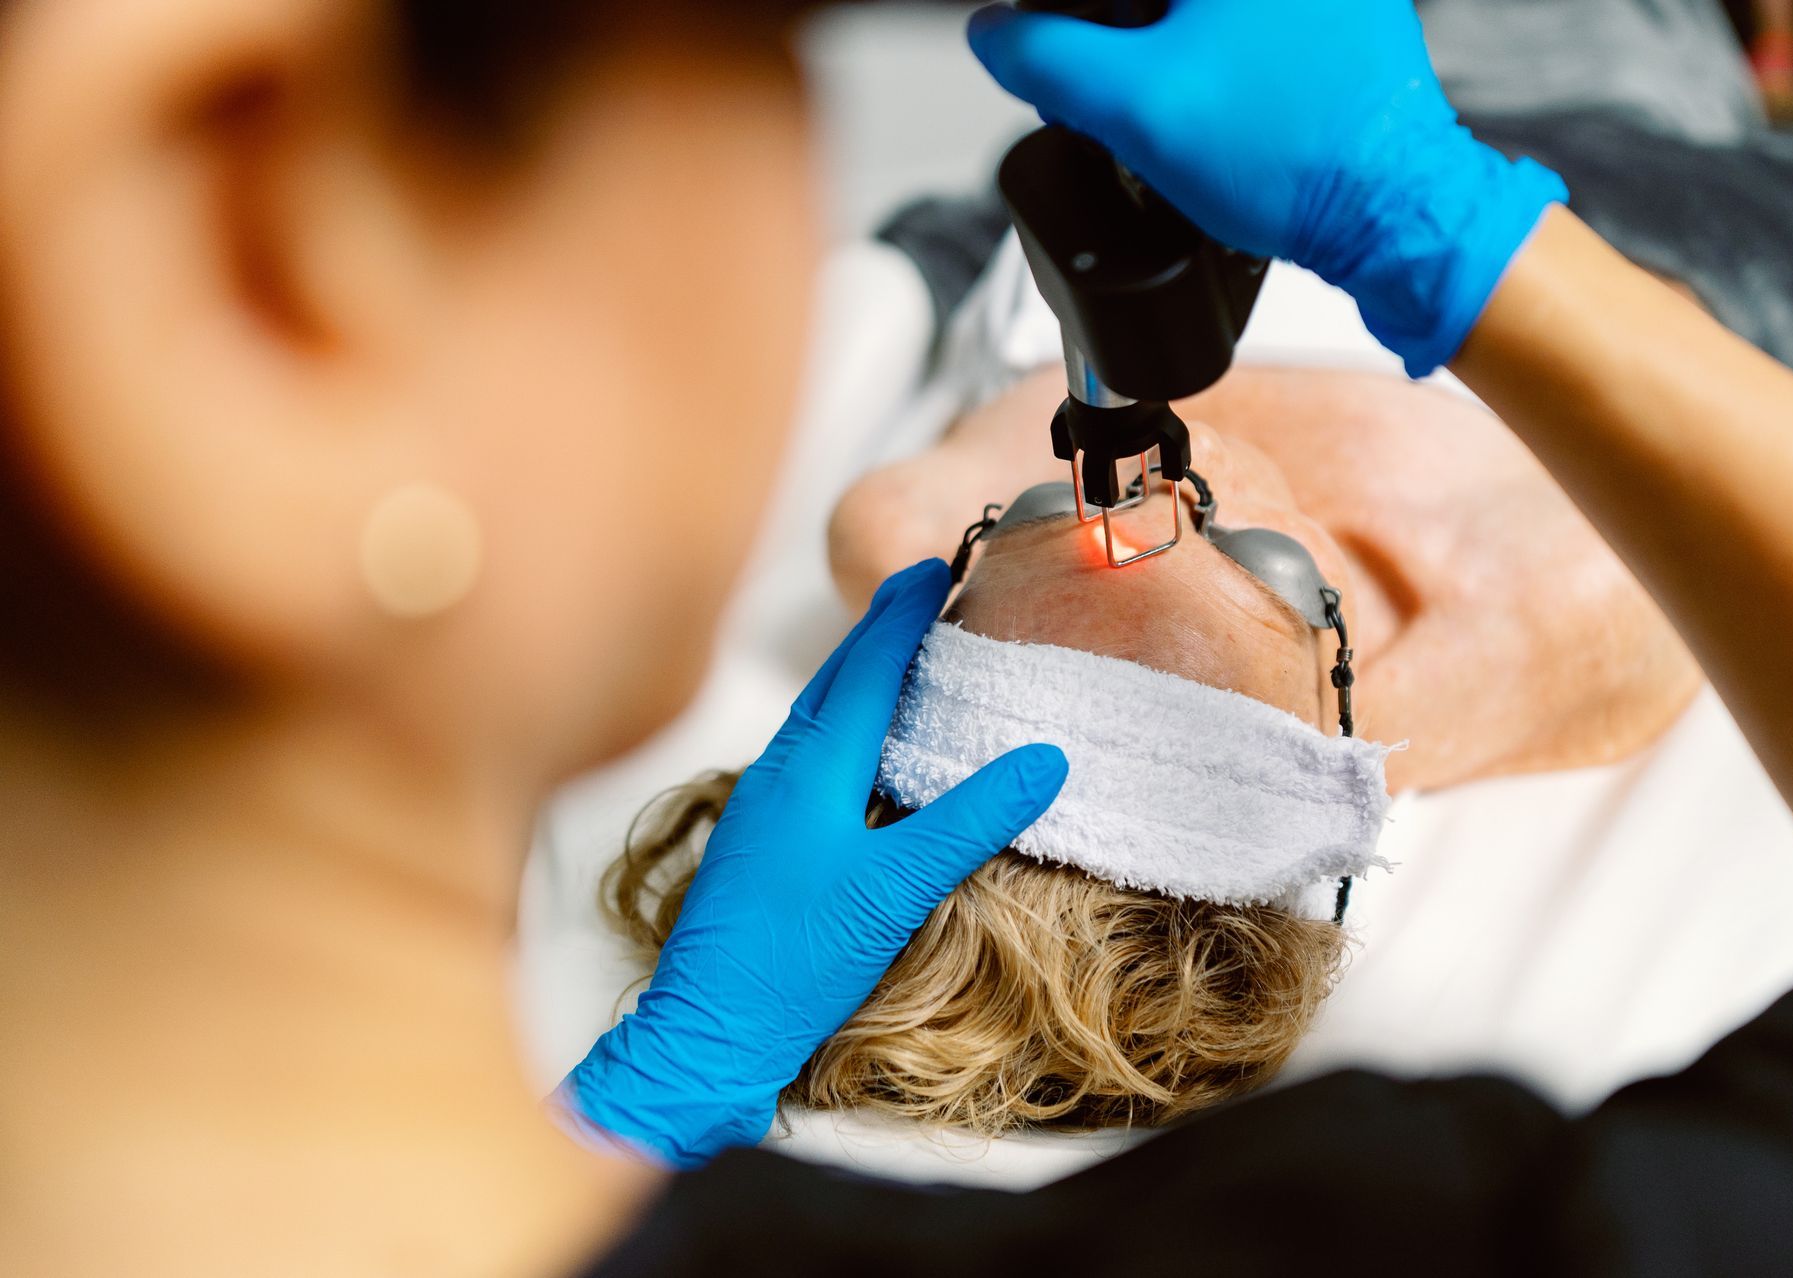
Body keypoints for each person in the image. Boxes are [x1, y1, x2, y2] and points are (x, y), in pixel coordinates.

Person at [4, 4, 1793, 1278]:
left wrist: (648, 1097)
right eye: (746, 44)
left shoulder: (894, 487)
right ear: (257, 260)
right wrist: (1452, 231)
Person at [601, 358, 1700, 1138]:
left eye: (1046, 507)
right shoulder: (1560, 601)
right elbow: (1669, 565)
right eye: (1255, 558)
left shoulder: (892, 529)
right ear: (1334, 699)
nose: (1175, 470)